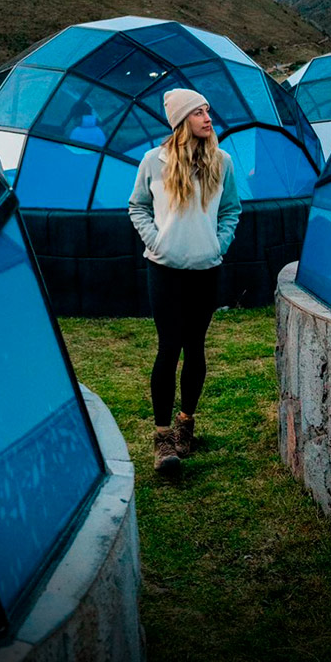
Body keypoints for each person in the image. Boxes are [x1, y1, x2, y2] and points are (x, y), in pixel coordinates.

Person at [129, 88, 241, 473]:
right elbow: (137, 206)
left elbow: (232, 210)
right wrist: (156, 241)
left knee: (196, 348)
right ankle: (162, 440)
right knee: (168, 348)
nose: (208, 118)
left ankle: (185, 425)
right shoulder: (153, 161)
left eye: (208, 110)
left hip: (206, 269)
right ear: (181, 121)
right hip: (164, 269)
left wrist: (218, 245)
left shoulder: (222, 162)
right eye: (198, 112)